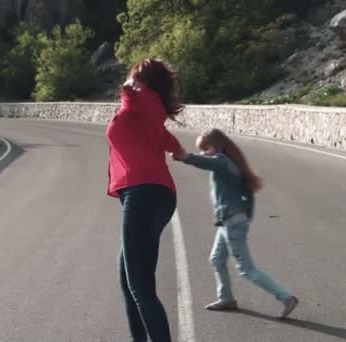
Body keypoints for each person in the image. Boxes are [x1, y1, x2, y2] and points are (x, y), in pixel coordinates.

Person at [172, 128, 299, 319]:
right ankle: (227, 299)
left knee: (246, 269)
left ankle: (286, 297)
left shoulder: (222, 161)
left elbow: (204, 161)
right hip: (230, 221)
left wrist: (185, 157)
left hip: (231, 221)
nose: (203, 152)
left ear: (219, 146)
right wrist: (244, 217)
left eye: (206, 148)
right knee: (216, 259)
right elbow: (247, 196)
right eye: (202, 149)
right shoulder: (232, 162)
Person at [106, 58, 186, 342]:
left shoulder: (138, 101)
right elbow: (163, 136)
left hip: (141, 194)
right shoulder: (153, 108)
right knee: (130, 281)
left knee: (139, 286)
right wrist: (180, 150)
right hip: (159, 195)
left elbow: (129, 102)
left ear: (141, 80)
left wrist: (128, 89)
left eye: (132, 77)